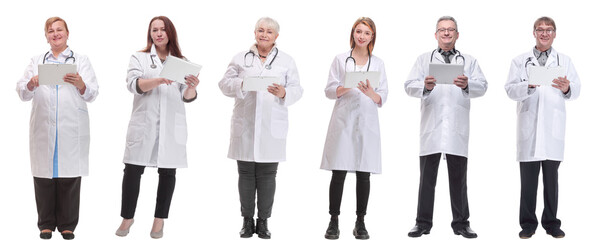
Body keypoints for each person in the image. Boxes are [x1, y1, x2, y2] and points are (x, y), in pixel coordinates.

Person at [114, 16, 199, 239]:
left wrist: (191, 87)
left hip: (171, 126)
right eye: (154, 30)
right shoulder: (140, 58)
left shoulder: (181, 61)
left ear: (170, 32)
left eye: (162, 29)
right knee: (132, 170)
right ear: (150, 33)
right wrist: (159, 80)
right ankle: (127, 217)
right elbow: (134, 85)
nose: (159, 33)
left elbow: (187, 97)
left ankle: (159, 220)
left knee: (167, 171)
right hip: (144, 123)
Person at [219, 17, 303, 239]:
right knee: (245, 174)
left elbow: (297, 89)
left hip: (271, 127)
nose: (264, 34)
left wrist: (284, 93)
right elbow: (224, 85)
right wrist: (242, 84)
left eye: (269, 32)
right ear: (254, 33)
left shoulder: (287, 60)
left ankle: (263, 222)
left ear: (276, 36)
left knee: (267, 176)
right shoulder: (240, 58)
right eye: (260, 30)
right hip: (245, 125)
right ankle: (247, 221)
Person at [16, 17, 99, 240]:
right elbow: (22, 91)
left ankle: (67, 225)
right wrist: (31, 83)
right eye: (50, 31)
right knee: (43, 178)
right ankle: (45, 224)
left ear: (67, 33)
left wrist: (81, 83)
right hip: (44, 126)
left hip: (70, 127)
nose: (55, 34)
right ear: (46, 36)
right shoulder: (36, 60)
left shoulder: (80, 60)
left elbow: (93, 93)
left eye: (59, 29)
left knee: (69, 179)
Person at [404, 16, 487, 239]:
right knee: (426, 180)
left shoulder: (468, 60)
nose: (447, 33)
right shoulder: (423, 60)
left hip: (456, 130)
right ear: (436, 34)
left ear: (457, 34)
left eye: (451, 30)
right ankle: (422, 224)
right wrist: (425, 86)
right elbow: (408, 85)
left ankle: (461, 224)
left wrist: (468, 84)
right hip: (432, 128)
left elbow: (483, 85)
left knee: (459, 180)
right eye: (442, 30)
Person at [504, 16, 580, 239]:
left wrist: (567, 88)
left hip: (552, 131)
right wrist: (527, 86)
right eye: (540, 29)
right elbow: (509, 89)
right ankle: (528, 224)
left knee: (551, 181)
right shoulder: (520, 61)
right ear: (534, 33)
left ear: (555, 34)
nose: (544, 33)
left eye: (549, 30)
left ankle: (551, 223)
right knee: (528, 183)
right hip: (529, 129)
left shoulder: (564, 61)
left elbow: (576, 89)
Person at [320, 17, 388, 240]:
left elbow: (383, 96)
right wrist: (345, 86)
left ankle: (360, 222)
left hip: (366, 123)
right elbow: (329, 90)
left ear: (372, 37)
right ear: (353, 33)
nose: (362, 36)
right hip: (343, 121)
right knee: (338, 172)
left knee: (363, 173)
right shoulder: (341, 60)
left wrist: (371, 93)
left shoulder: (378, 63)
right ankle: (333, 221)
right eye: (358, 31)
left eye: (366, 33)